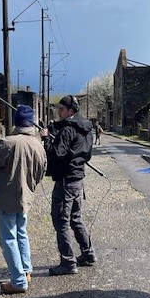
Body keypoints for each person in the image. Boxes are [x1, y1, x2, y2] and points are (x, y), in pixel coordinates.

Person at [0, 105, 47, 294]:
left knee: (9, 238)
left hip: (7, 198)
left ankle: (18, 281)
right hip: (26, 198)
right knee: (21, 233)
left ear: (16, 122)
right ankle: (26, 271)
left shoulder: (9, 142)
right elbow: (42, 172)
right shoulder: (38, 145)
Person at [39, 95, 97, 276]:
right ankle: (88, 254)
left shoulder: (68, 130)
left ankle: (67, 262)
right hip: (78, 179)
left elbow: (56, 155)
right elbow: (84, 154)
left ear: (71, 110)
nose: (59, 113)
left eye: (62, 110)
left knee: (61, 221)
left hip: (65, 181)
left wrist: (47, 139)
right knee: (75, 218)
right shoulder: (87, 128)